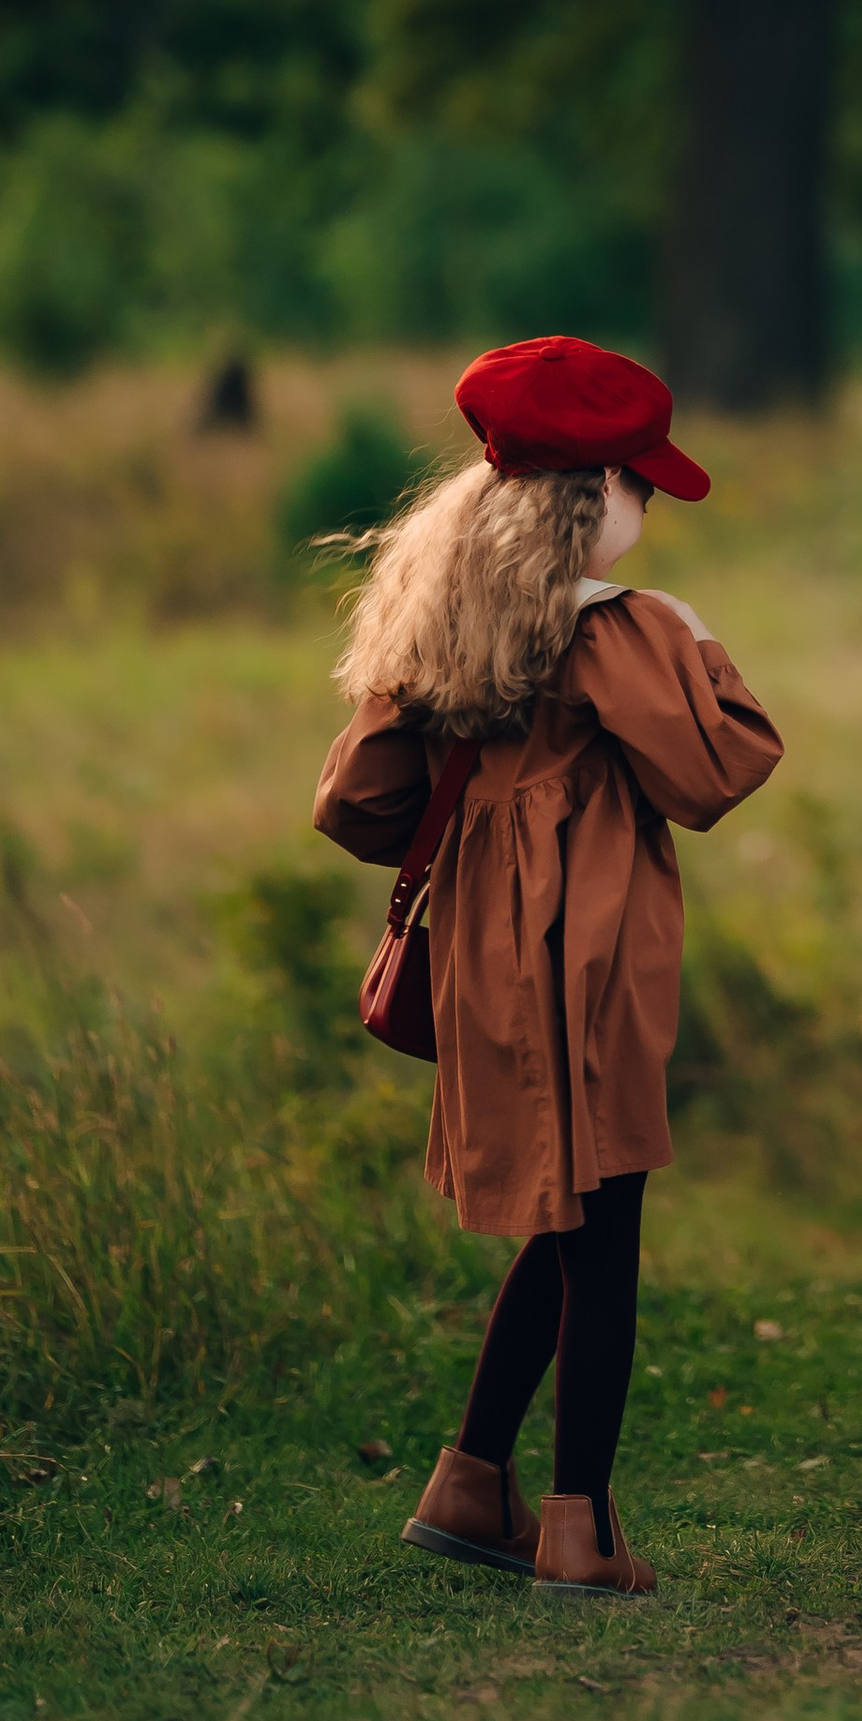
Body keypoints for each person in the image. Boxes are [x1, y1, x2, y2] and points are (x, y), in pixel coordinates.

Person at [312, 333, 782, 1600]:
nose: (644, 511)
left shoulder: (449, 624)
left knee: (565, 1213)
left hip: (482, 955)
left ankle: (470, 1481)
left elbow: (356, 806)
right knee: (606, 1222)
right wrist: (697, 646)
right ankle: (580, 1526)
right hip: (590, 956)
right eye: (637, 486)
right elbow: (718, 771)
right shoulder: (618, 633)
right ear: (590, 500)